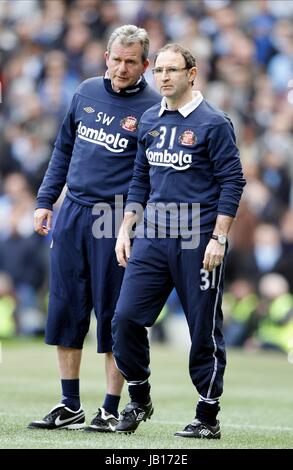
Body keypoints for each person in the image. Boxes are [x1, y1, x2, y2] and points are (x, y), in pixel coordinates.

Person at [28, 25, 160, 432]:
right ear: (106, 57)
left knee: (113, 314)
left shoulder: (155, 108)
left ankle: (109, 406)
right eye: (116, 59)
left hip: (115, 219)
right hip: (73, 212)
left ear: (145, 65)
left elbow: (152, 176)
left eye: (130, 62)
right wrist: (45, 200)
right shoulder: (85, 90)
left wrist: (134, 223)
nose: (121, 68)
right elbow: (63, 148)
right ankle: (70, 404)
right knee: (66, 308)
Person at [112, 43, 246, 438]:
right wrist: (126, 226)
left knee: (203, 329)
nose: (164, 76)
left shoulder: (214, 123)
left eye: (173, 69)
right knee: (124, 319)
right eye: (159, 70)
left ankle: (208, 416)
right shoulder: (150, 120)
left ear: (192, 73)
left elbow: (232, 182)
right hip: (152, 236)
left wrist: (219, 238)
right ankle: (139, 397)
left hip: (197, 238)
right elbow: (140, 178)